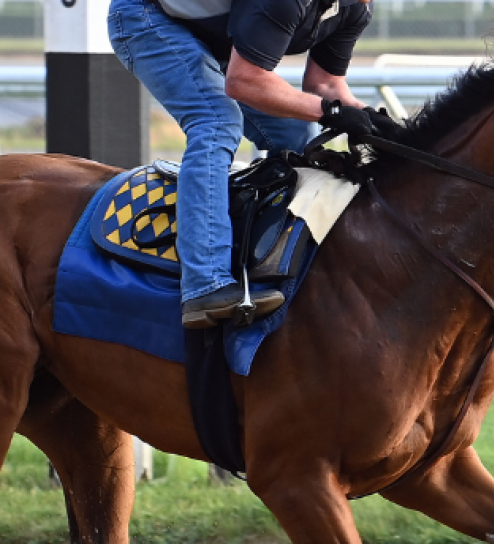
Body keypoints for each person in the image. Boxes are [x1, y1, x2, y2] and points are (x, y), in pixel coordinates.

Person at [108, 0, 393, 329]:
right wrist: (333, 112)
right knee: (216, 122)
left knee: (294, 130)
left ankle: (271, 260)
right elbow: (243, 82)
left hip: (216, 39)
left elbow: (325, 85)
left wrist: (367, 117)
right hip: (147, 17)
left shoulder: (356, 7)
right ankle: (205, 284)